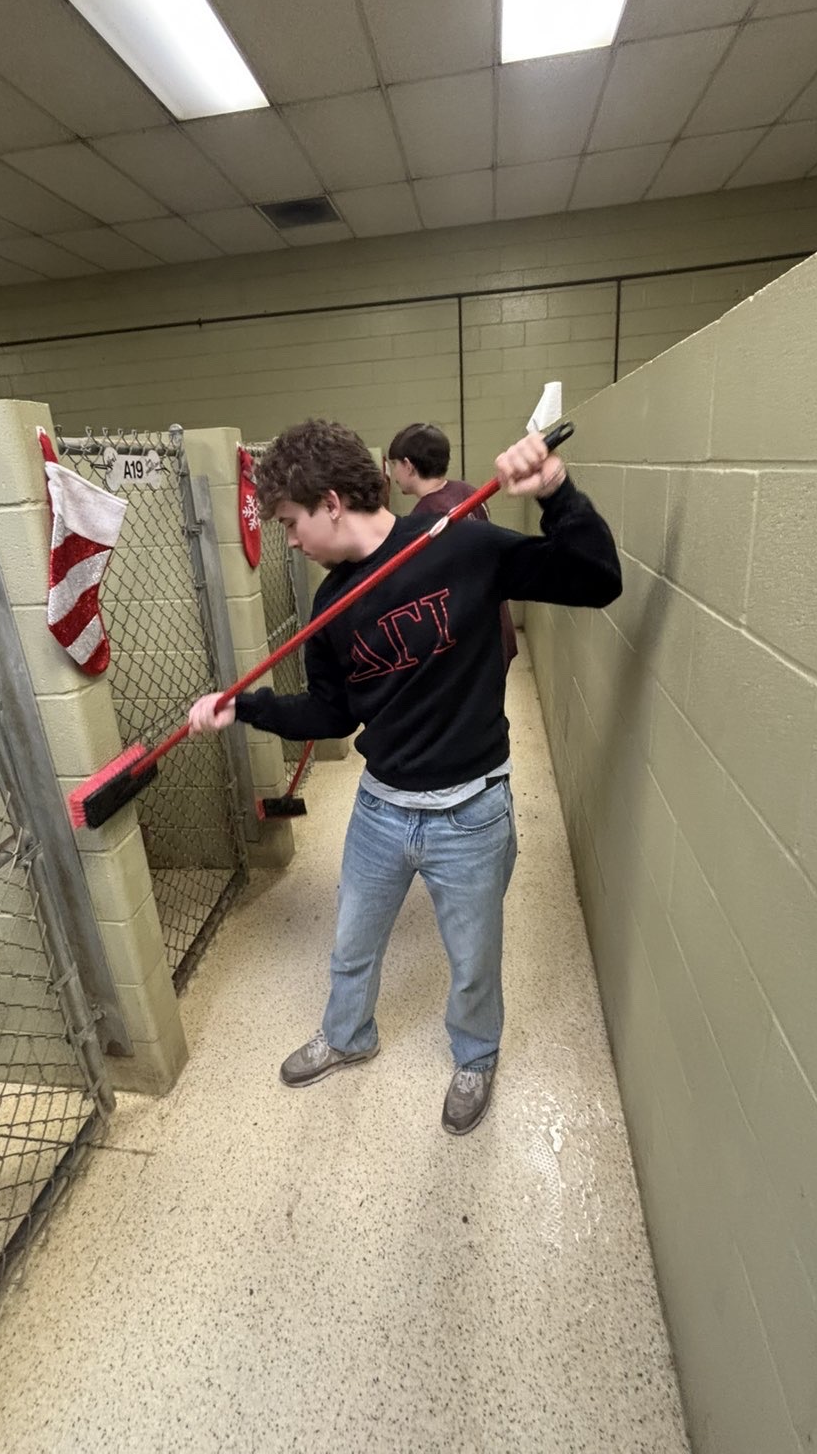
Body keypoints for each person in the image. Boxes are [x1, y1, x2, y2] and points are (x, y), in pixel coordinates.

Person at [188, 419, 620, 1136]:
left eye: (292, 523)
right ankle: (348, 1035)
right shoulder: (330, 605)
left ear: (330, 502)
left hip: (471, 812)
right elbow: (332, 714)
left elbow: (597, 581)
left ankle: (476, 1056)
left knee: (474, 960)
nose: (289, 540)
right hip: (381, 810)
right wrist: (248, 708)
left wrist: (556, 492)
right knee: (352, 943)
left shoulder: (460, 545)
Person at [388, 422, 518, 669]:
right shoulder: (468, 491)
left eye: (394, 465)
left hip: (470, 642)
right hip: (496, 625)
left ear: (408, 465)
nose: (394, 474)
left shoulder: (425, 518)